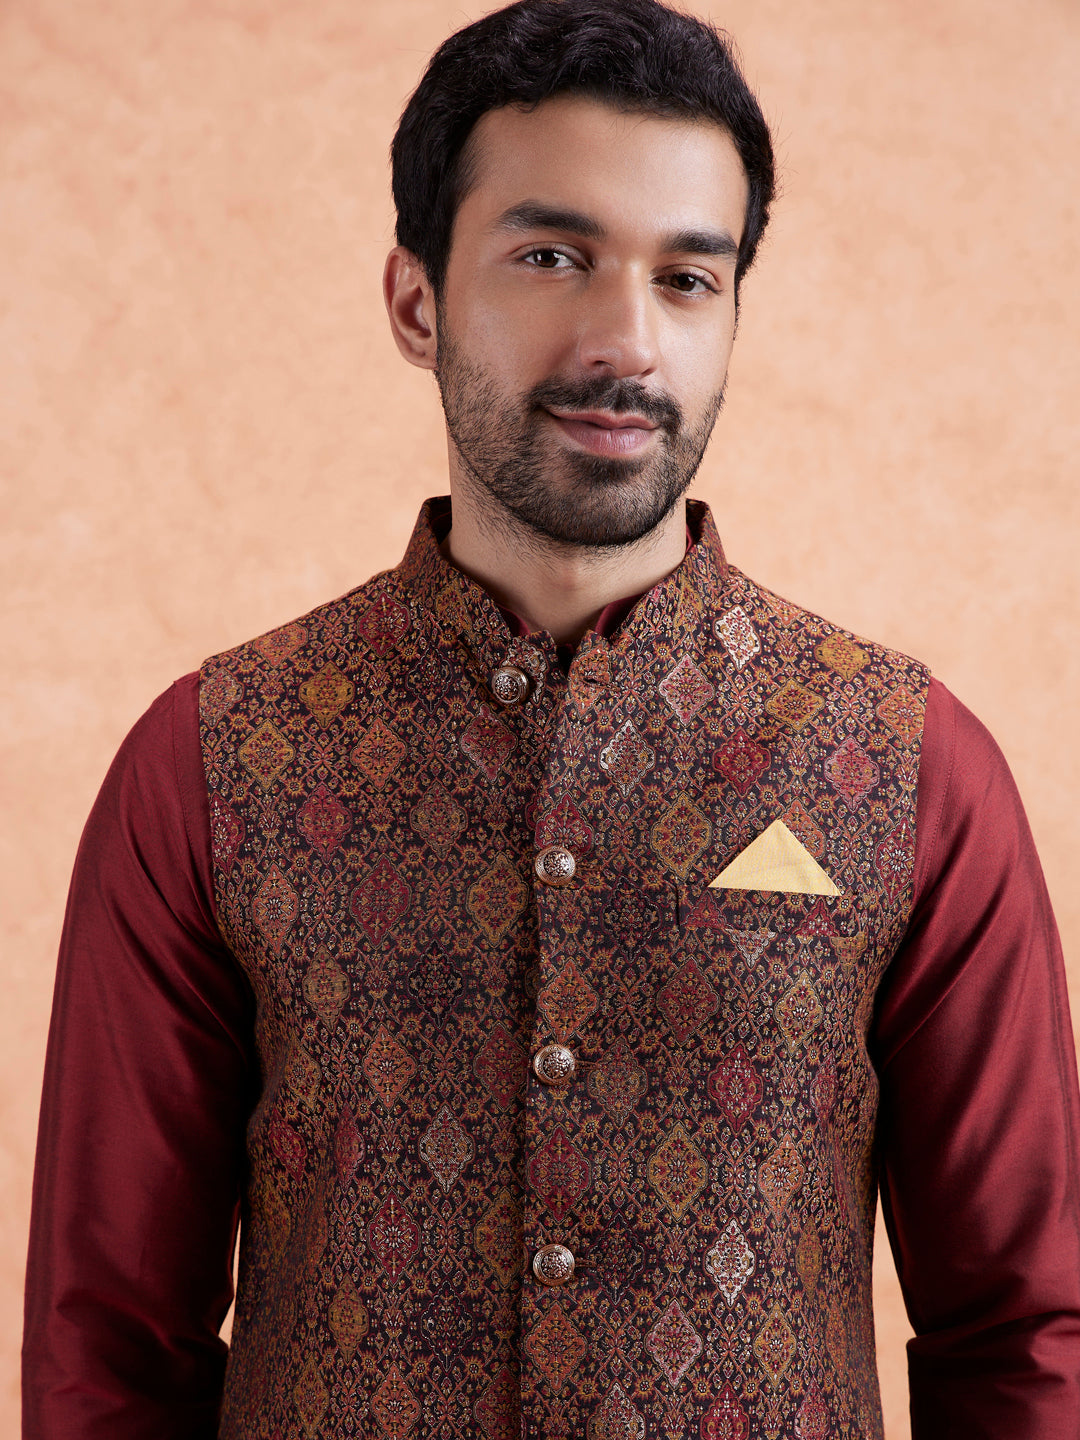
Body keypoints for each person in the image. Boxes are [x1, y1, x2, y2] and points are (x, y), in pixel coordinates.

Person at [22, 0, 1080, 1436]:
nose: (625, 341)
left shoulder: (907, 769)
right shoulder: (213, 763)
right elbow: (108, 1345)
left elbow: (1023, 1334)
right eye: (552, 257)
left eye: (687, 278)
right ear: (417, 303)